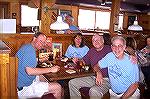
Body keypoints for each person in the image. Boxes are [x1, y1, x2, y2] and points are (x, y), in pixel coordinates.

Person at [16, 32, 62, 99]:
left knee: (46, 78)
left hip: (21, 81)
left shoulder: (27, 47)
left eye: (43, 42)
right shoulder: (29, 49)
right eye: (41, 41)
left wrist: (39, 60)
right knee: (58, 87)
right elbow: (29, 71)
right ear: (34, 39)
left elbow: (26, 62)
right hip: (23, 89)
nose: (42, 44)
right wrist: (51, 69)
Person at [69, 33, 112, 99]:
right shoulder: (91, 51)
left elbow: (125, 50)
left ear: (103, 41)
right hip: (93, 77)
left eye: (98, 40)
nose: (96, 42)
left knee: (94, 91)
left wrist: (132, 55)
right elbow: (83, 61)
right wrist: (78, 60)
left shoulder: (110, 49)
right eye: (94, 40)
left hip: (107, 80)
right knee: (72, 83)